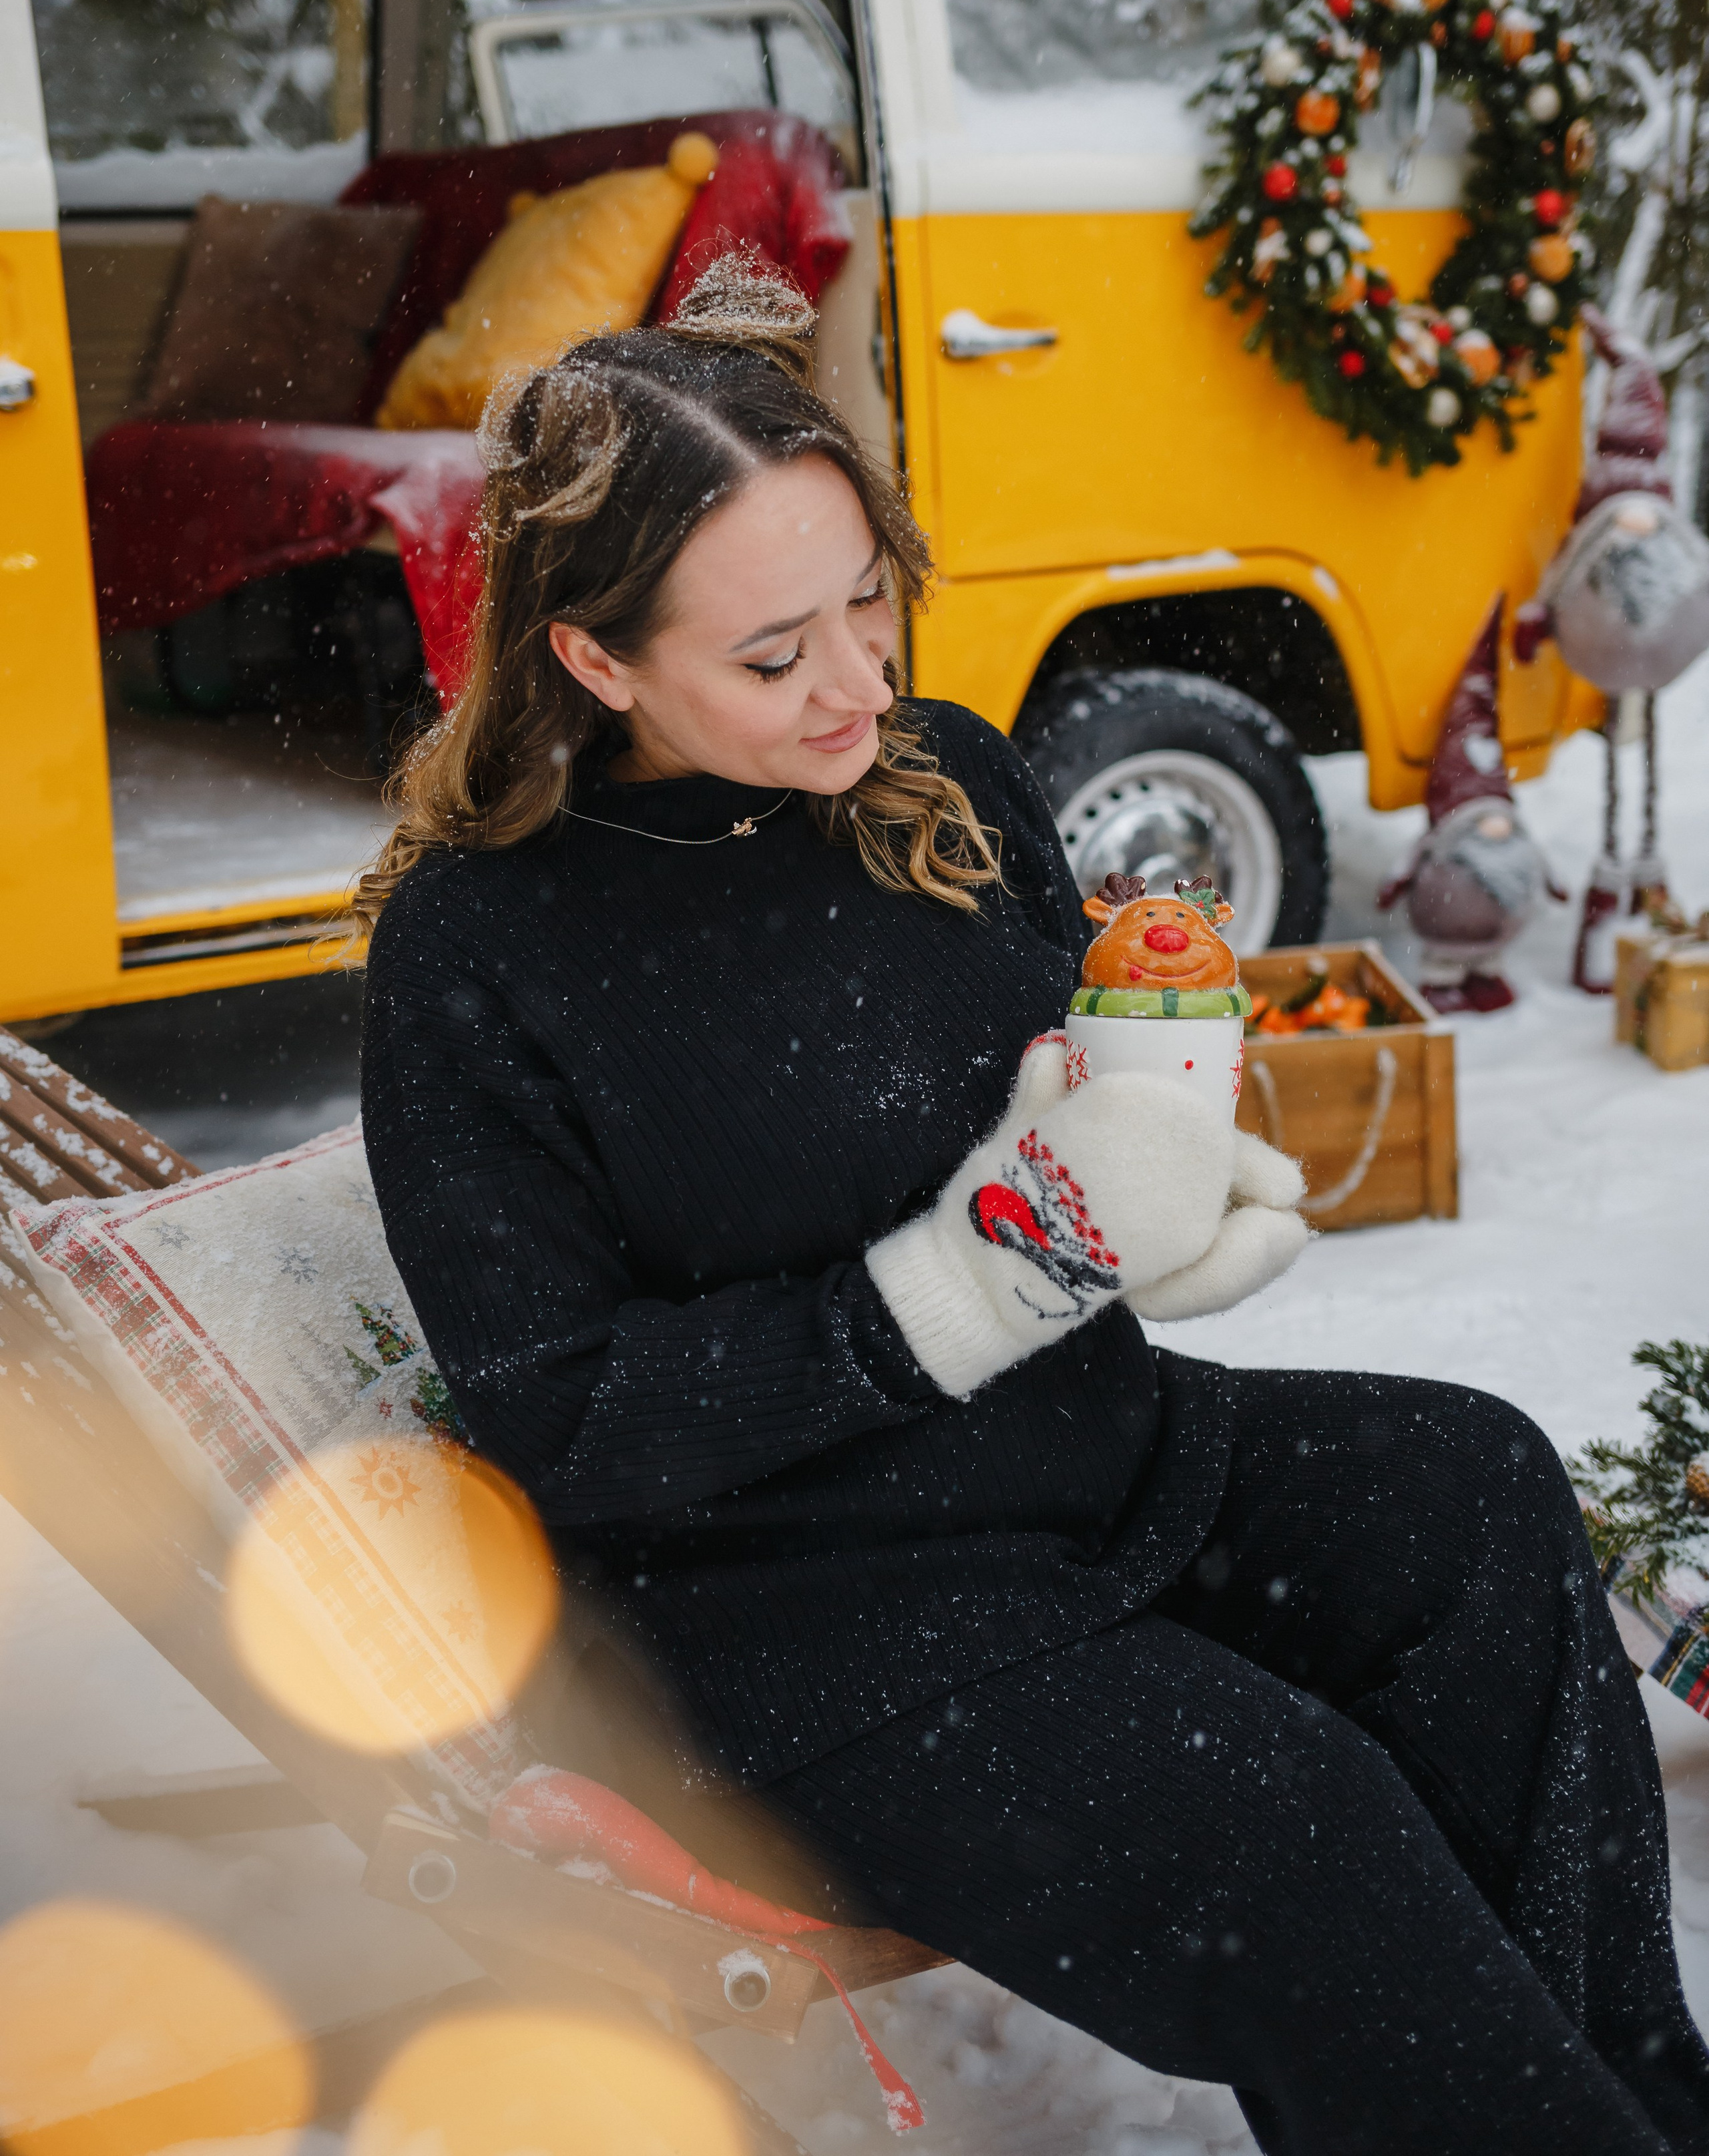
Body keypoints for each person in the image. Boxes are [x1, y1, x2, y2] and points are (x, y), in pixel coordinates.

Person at [357, 260, 1709, 2156]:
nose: (859, 684)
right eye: (772, 657)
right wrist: (956, 1290)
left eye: (866, 604)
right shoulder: (481, 951)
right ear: (595, 659)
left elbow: (1093, 1078)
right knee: (1292, 1821)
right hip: (809, 1622)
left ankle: (1629, 2112)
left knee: (1474, 1495)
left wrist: (1195, 1181)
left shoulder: (951, 781)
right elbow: (563, 1414)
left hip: (1092, 1462)